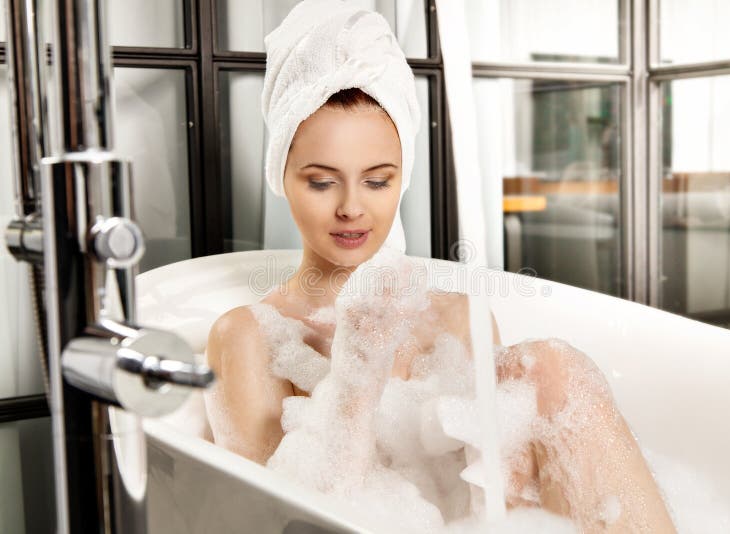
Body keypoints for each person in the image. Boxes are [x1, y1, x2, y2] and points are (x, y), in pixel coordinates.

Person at [204, 2, 676, 532]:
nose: (352, 207)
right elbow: (267, 521)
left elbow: (501, 506)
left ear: (403, 178)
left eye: (378, 180)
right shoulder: (249, 337)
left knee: (550, 366)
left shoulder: (455, 317)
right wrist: (357, 380)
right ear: (281, 177)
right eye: (321, 181)